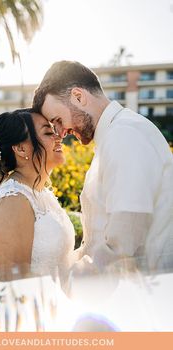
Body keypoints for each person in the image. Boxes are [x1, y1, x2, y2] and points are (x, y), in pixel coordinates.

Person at [33, 60, 173, 273]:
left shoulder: (125, 135)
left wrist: (69, 282)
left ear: (78, 97)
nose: (60, 133)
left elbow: (123, 241)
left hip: (141, 292)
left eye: (58, 120)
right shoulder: (113, 136)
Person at [0, 108, 76, 288]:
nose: (59, 137)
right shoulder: (12, 201)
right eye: (48, 132)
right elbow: (12, 285)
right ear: (20, 148)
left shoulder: (42, 193)